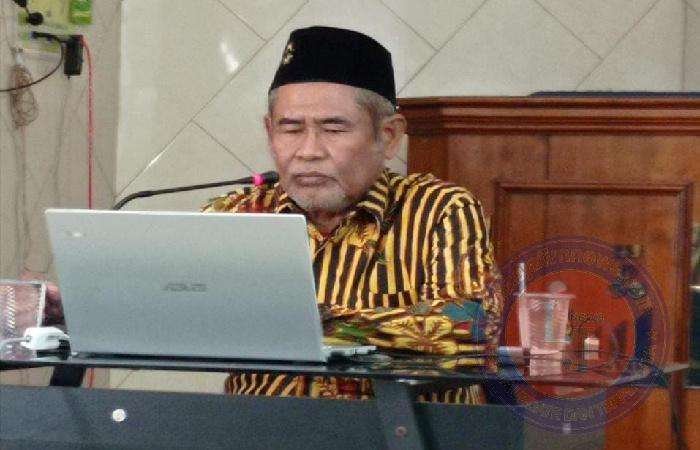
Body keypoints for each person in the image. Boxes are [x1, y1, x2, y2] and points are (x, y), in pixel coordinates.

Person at [202, 26, 503, 403]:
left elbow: (471, 330)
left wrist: (309, 325)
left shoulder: (439, 210)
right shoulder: (237, 216)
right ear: (269, 132)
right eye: (291, 129)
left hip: (400, 430)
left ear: (389, 136)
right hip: (257, 428)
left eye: (333, 129)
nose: (309, 151)